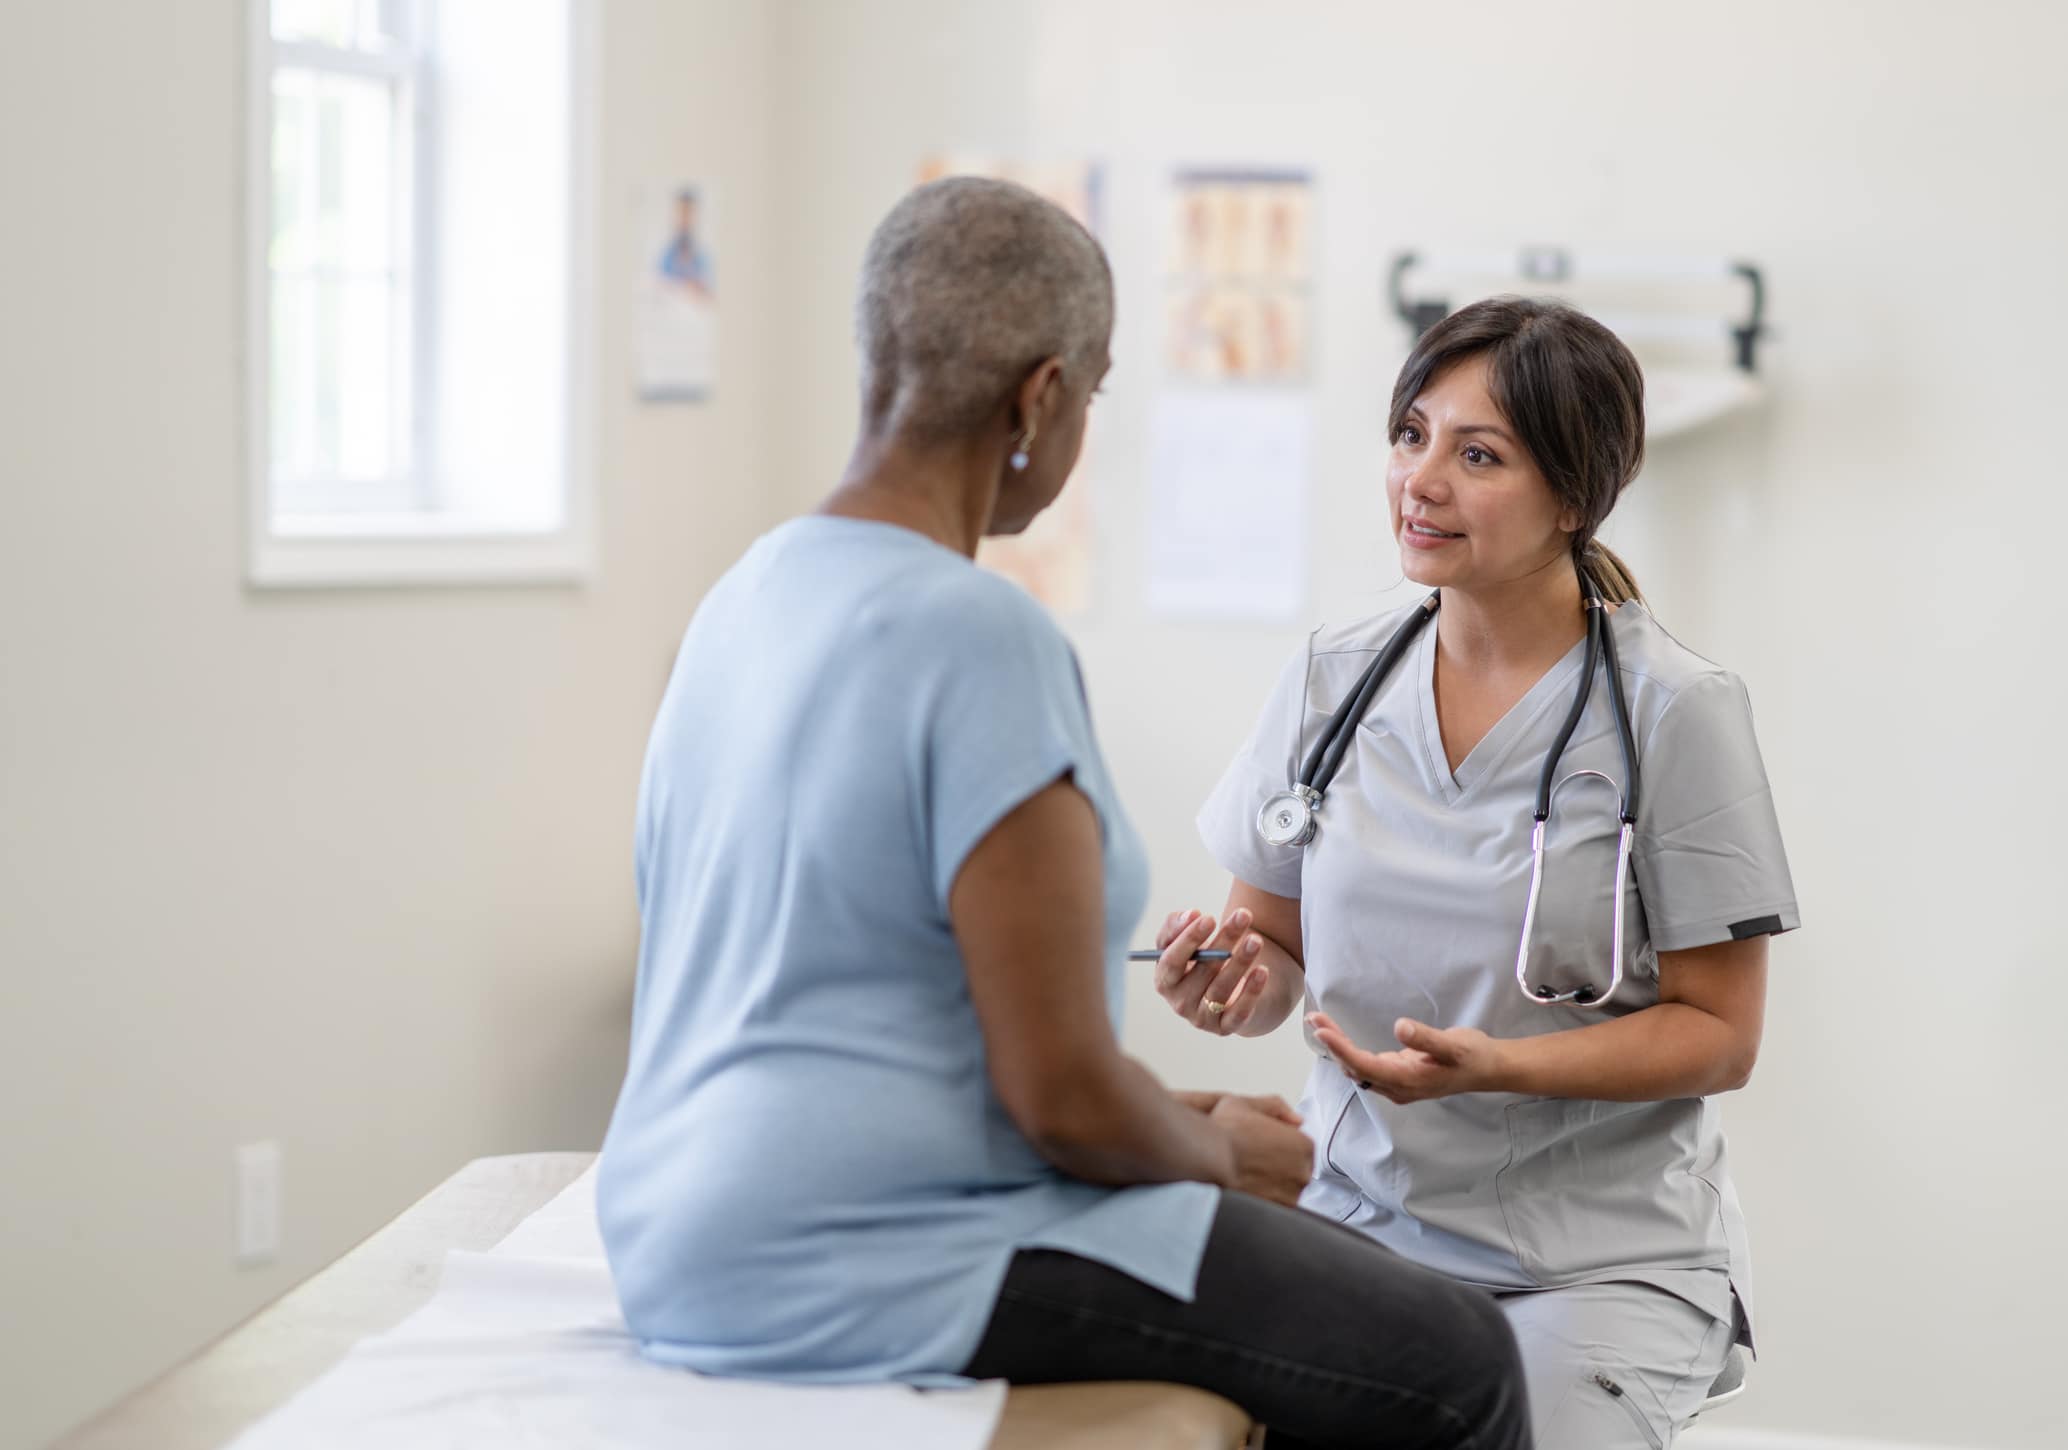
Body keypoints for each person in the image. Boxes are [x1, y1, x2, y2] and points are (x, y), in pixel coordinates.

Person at [596, 178, 1528, 1450]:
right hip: (867, 1254)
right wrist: (1221, 1160)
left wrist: (1179, 1114)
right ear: (1038, 399)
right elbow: (1062, 1102)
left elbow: (873, 1012)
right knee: (1458, 1359)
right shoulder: (976, 633)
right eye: (1089, 394)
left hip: (673, 1232)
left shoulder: (744, 596)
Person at [1155, 295, 1798, 1449]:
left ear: (1571, 494)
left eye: (1478, 453)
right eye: (1411, 435)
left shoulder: (1676, 711)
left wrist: (1496, 1066)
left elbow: (1719, 1032)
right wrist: (1231, 979)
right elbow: (1271, 957)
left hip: (1590, 1263)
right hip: (1353, 1228)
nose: (1422, 479)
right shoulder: (1328, 681)